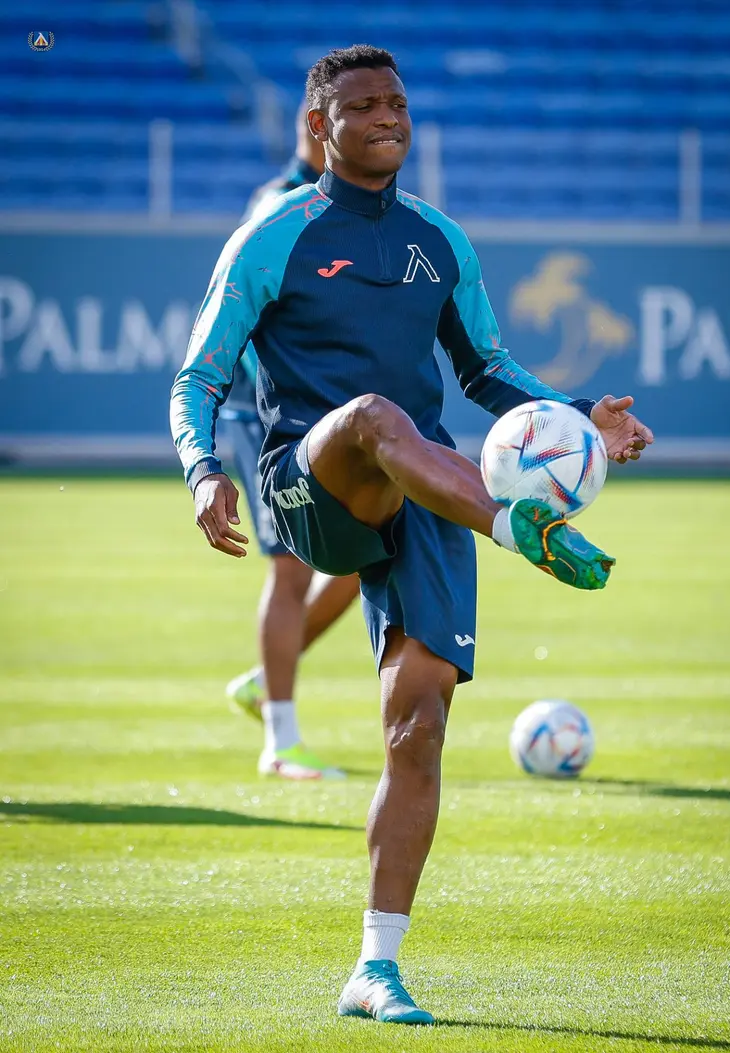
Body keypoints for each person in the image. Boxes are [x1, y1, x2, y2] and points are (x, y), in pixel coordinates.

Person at [171, 45, 653, 1025]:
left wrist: (577, 414)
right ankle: (518, 528)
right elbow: (198, 377)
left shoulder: (439, 239)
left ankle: (375, 969)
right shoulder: (272, 237)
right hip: (312, 480)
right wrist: (203, 469)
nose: (388, 116)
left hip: (427, 492)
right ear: (320, 126)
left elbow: (487, 370)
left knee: (418, 727)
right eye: (363, 105)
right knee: (377, 417)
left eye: (397, 102)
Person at [221, 102, 360, 781]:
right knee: (291, 569)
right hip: (264, 412)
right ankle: (280, 743)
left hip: (318, 416)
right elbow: (246, 309)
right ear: (319, 129)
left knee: (361, 556)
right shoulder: (279, 203)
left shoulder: (349, 206)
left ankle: (263, 678)